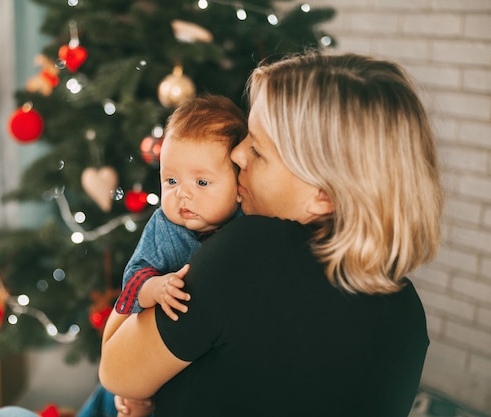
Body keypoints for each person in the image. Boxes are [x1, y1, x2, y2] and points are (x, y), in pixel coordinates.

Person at [98, 52, 444, 417]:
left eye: (258, 150)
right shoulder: (408, 313)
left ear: (323, 195)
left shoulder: (251, 249)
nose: (237, 154)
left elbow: (116, 372)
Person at [78, 94, 247, 417]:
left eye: (201, 181)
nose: (182, 193)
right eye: (171, 180)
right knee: (109, 401)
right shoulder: (164, 225)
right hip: (147, 350)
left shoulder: (246, 228)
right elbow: (135, 276)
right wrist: (153, 288)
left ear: (239, 183)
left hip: (187, 369)